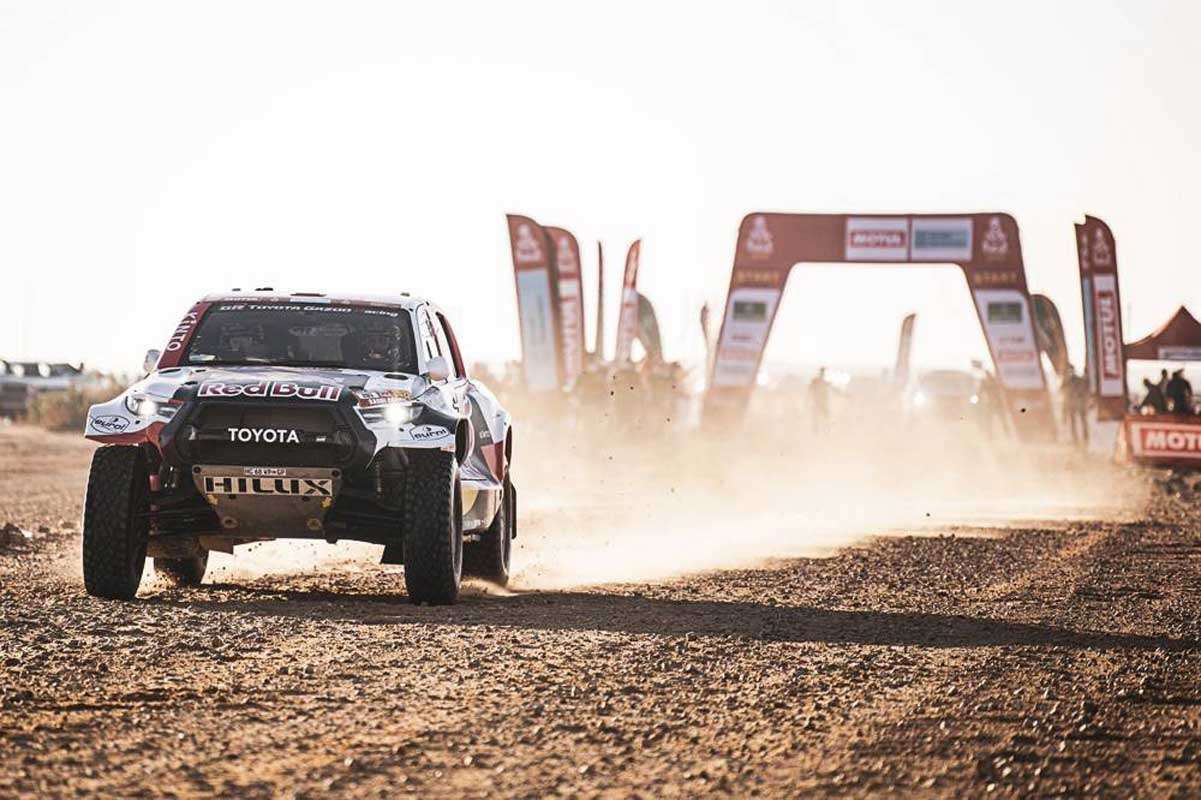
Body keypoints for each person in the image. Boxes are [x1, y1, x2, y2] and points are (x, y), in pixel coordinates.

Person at [1062, 365, 1089, 446]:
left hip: (1078, 403)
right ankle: (1077, 439)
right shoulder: (1068, 381)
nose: (1070, 372)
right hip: (1073, 404)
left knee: (1081, 422)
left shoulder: (1076, 380)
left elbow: (1084, 391)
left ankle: (1083, 438)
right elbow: (1064, 394)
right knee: (1076, 422)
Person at [808, 367, 830, 434]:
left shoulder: (824, 382)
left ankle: (824, 431)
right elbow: (809, 390)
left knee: (824, 418)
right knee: (817, 419)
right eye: (822, 372)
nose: (823, 373)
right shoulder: (815, 381)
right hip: (817, 402)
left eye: (823, 372)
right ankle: (816, 432)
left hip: (822, 403)